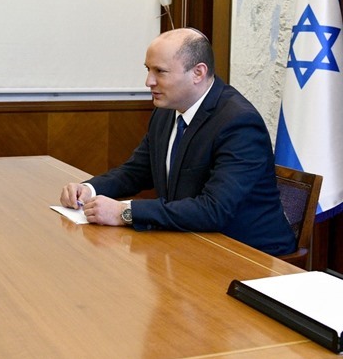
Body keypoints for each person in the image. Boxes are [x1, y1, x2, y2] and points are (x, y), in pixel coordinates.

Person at [60, 28, 296, 256]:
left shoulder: (239, 123)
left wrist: (125, 212)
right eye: (148, 69)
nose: (148, 81)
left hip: (247, 253)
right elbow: (136, 172)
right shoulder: (166, 111)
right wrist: (89, 190)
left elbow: (214, 209)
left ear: (198, 73)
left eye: (160, 72)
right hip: (191, 240)